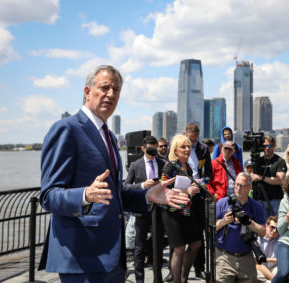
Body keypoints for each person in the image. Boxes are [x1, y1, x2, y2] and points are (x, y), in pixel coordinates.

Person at [39, 65, 189, 282]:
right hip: (82, 258)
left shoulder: (108, 136)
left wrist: (147, 195)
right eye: (104, 87)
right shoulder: (67, 129)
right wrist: (85, 195)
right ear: (87, 91)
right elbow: (48, 195)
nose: (111, 94)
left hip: (112, 257)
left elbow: (113, 194)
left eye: (116, 90)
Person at [123, 136, 166, 283]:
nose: (154, 151)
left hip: (159, 209)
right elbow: (126, 186)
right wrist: (142, 185)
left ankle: (157, 279)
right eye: (150, 148)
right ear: (143, 148)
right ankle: (139, 280)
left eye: (155, 147)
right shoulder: (135, 165)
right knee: (139, 247)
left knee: (158, 245)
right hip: (141, 210)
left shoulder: (162, 163)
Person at [160, 134, 202, 283]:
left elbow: (186, 187)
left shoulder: (188, 166)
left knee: (196, 244)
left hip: (186, 210)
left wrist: (194, 187)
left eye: (188, 146)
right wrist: (187, 191)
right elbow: (162, 189)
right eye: (183, 146)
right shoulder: (170, 165)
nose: (187, 149)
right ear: (175, 150)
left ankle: (184, 278)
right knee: (178, 249)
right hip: (172, 212)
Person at [215, 172, 266, 283]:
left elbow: (263, 232)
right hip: (224, 257)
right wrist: (224, 221)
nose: (238, 188)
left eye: (242, 186)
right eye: (236, 184)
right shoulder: (222, 203)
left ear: (249, 187)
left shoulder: (256, 206)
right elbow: (210, 228)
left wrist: (248, 222)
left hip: (246, 258)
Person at [184, 123, 212, 280]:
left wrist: (202, 182)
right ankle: (175, 270)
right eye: (190, 140)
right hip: (182, 194)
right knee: (180, 234)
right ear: (185, 134)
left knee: (199, 233)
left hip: (198, 195)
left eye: (194, 141)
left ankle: (199, 267)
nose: (192, 144)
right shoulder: (177, 148)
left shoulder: (203, 149)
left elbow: (209, 172)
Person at [251, 135, 287, 217]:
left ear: (274, 146)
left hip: (275, 201)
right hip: (260, 201)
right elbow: (252, 177)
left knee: (275, 227)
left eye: (269, 145)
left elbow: (280, 180)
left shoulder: (280, 161)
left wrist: (261, 178)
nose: (267, 148)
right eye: (265, 146)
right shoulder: (258, 161)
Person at [256, 216, 280, 282]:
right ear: (266, 225)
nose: (274, 231)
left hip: (275, 268)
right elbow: (257, 263)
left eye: (278, 229)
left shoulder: (282, 240)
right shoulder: (257, 238)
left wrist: (268, 260)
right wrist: (273, 279)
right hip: (260, 269)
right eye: (272, 227)